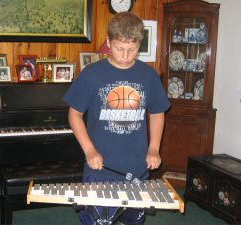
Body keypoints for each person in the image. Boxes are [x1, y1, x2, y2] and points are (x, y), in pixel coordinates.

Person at [63, 12, 170, 225]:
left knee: (133, 221)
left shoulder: (148, 76)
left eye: (132, 50)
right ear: (108, 42)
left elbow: (157, 113)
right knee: (97, 221)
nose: (125, 56)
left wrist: (154, 148)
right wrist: (89, 150)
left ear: (139, 44)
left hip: (137, 168)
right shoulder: (92, 74)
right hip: (99, 169)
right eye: (119, 48)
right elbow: (74, 115)